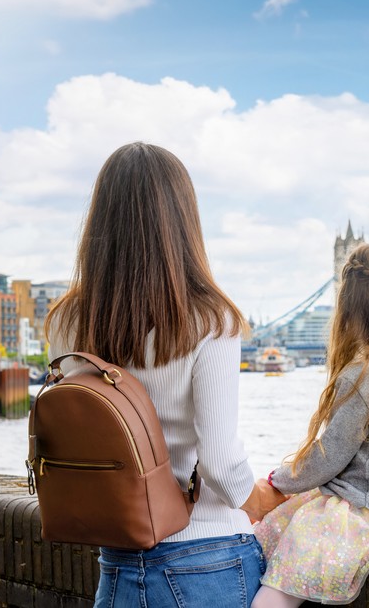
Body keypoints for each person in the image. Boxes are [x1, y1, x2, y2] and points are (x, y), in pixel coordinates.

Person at [46, 142, 285, 607]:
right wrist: (255, 501)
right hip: (208, 558)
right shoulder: (212, 320)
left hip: (117, 562)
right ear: (184, 220)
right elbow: (218, 458)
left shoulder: (66, 319)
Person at [251, 242, 369, 608]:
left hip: (360, 518)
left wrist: (278, 480)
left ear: (352, 307)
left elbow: (329, 457)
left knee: (271, 587)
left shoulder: (365, 372)